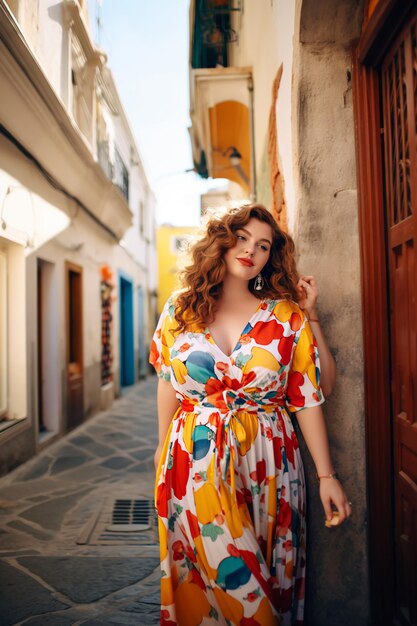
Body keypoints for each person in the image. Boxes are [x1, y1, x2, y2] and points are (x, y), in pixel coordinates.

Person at [149, 204, 351, 626]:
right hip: (193, 462)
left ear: (269, 257)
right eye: (241, 239)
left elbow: (308, 395)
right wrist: (161, 445)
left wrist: (327, 476)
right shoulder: (179, 311)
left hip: (270, 465)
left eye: (262, 246)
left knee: (269, 578)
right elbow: (168, 380)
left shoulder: (285, 315)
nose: (250, 251)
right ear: (220, 241)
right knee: (225, 586)